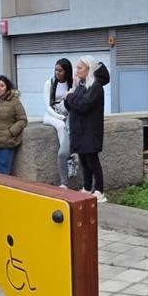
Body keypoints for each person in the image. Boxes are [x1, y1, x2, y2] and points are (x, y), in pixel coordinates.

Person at [63, 56, 109, 201]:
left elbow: (83, 105)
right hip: (79, 130)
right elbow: (71, 106)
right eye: (77, 68)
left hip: (90, 130)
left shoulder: (95, 86)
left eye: (80, 68)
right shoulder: (81, 85)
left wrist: (69, 97)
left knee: (92, 160)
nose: (76, 71)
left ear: (89, 69)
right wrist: (71, 93)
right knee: (83, 160)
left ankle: (100, 190)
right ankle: (87, 187)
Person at [41, 58, 76, 187]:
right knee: (61, 126)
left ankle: (69, 155)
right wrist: (58, 116)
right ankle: (68, 158)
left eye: (60, 70)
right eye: (56, 70)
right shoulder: (49, 83)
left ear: (66, 71)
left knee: (69, 127)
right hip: (51, 115)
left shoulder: (71, 84)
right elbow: (47, 105)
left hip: (67, 114)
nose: (57, 73)